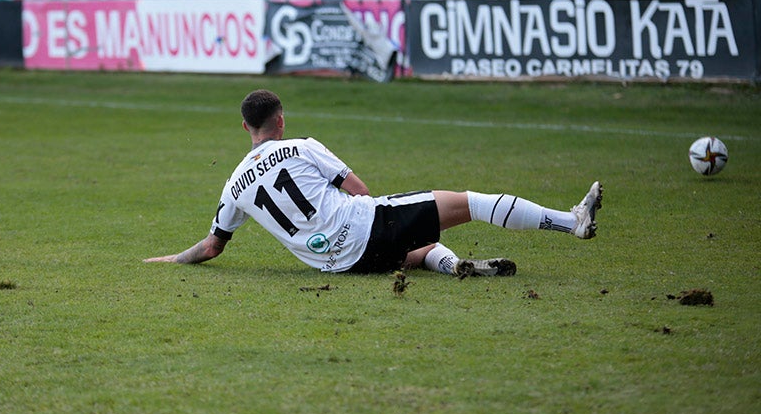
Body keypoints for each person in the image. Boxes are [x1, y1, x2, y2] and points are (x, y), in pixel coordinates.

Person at [145, 90, 603, 276]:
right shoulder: (302, 146)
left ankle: (457, 265)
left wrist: (169, 257)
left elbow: (211, 247)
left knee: (417, 250)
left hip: (343, 266)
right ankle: (571, 221)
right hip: (367, 227)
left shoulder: (234, 187)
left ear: (244, 128)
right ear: (280, 121)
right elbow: (360, 190)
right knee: (470, 201)